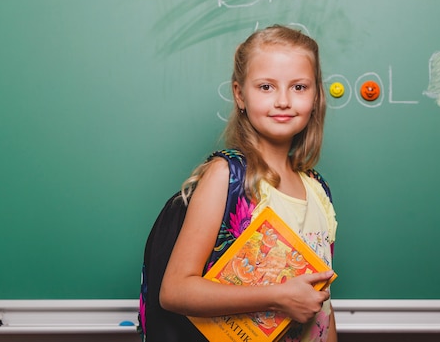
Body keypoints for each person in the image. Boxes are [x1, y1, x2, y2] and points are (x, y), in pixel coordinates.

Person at [141, 25, 338, 342]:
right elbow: (175, 290)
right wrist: (277, 296)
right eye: (266, 87)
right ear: (239, 94)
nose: (284, 101)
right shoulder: (227, 176)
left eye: (299, 87)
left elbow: (321, 306)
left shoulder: (318, 188)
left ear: (316, 96)